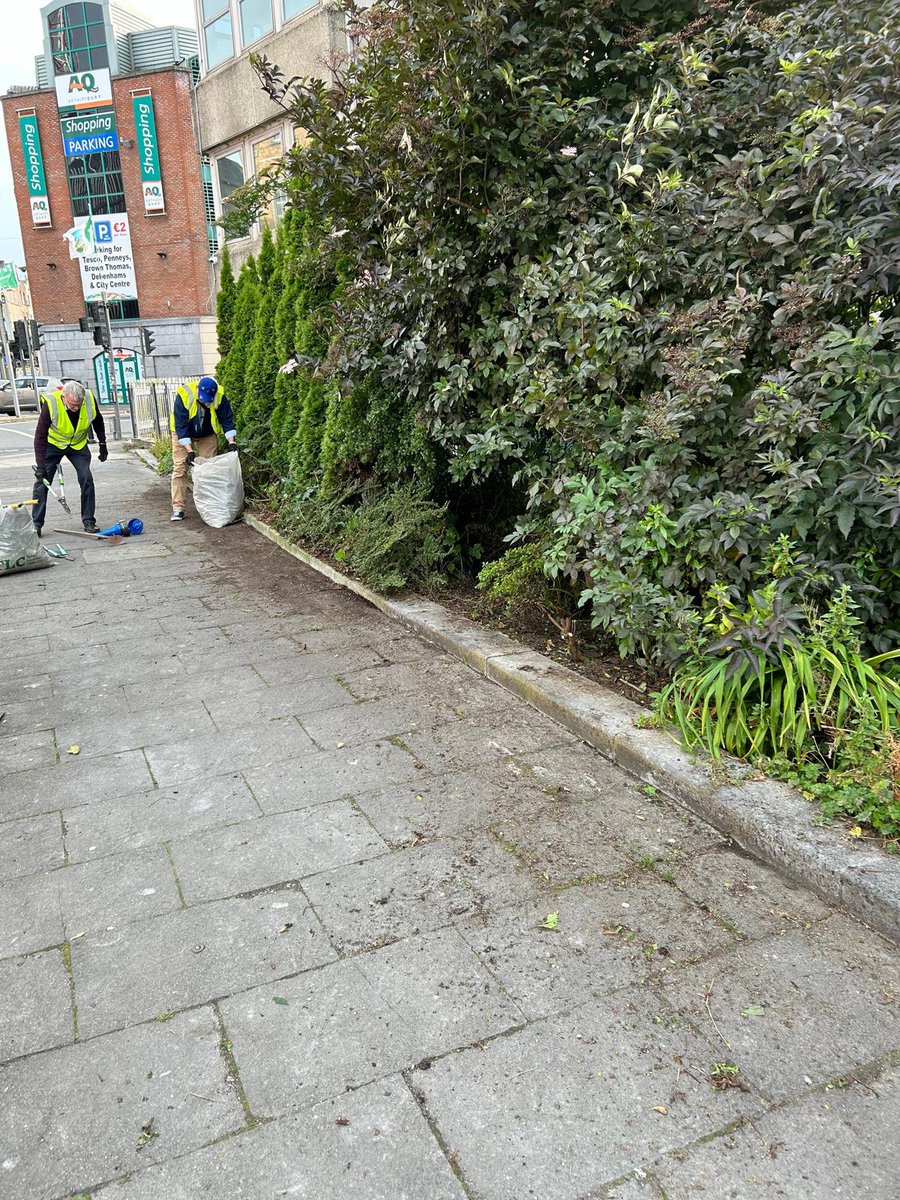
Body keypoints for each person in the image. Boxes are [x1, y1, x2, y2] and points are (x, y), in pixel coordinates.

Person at [32, 380, 107, 537]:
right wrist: (40, 466)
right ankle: (36, 523)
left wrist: (102, 443)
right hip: (54, 444)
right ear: (64, 397)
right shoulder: (51, 403)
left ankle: (89, 521)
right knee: (42, 482)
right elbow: (40, 436)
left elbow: (98, 420)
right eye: (73, 405)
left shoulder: (88, 398)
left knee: (86, 478)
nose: (76, 408)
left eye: (78, 405)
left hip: (78, 445)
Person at [169, 375, 237, 522]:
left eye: (208, 399)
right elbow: (181, 426)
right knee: (180, 468)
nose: (205, 401)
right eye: (203, 398)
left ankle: (210, 506)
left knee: (209, 468)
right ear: (198, 389)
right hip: (183, 432)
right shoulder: (184, 394)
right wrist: (189, 451)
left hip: (207, 433)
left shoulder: (219, 396)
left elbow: (226, 420)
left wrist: (231, 442)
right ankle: (178, 508)